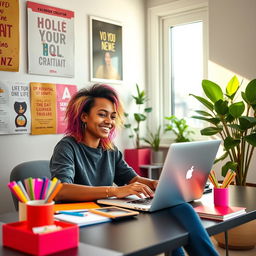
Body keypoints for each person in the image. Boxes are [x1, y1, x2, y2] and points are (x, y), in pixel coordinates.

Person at [50, 84, 219, 256]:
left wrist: (155, 184)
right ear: (84, 116)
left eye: (113, 116)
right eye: (102, 114)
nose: (109, 121)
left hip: (108, 212)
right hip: (83, 218)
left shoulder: (110, 149)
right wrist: (115, 191)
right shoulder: (67, 147)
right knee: (167, 221)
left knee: (180, 208)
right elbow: (61, 190)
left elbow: (130, 178)